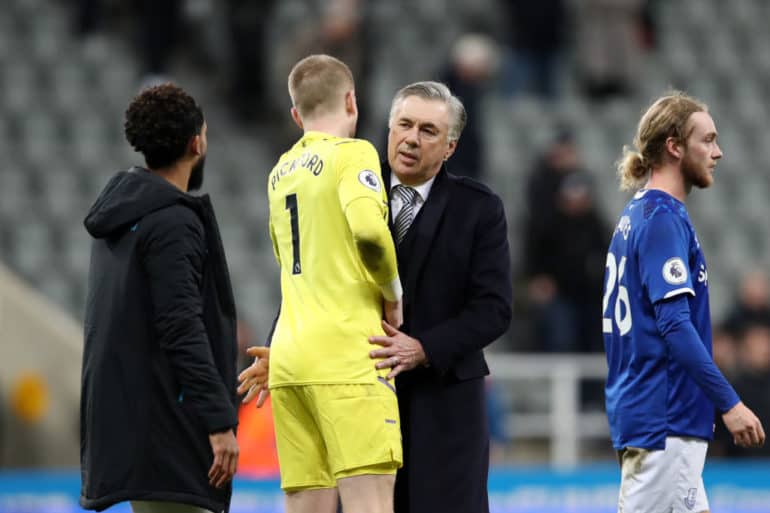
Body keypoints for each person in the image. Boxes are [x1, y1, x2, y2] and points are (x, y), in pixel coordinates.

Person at [240, 54, 404, 513]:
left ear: (297, 115)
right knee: (369, 503)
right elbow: (371, 234)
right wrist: (394, 295)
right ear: (352, 100)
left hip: (290, 359)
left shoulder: (279, 173)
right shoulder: (354, 154)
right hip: (349, 356)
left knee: (305, 506)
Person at [80, 83, 240, 513]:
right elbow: (181, 325)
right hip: (168, 434)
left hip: (138, 428)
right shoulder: (171, 221)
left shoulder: (122, 214)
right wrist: (220, 421)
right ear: (196, 142)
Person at [603, 91, 765, 513]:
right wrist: (729, 402)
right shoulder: (662, 220)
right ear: (675, 146)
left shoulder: (636, 215)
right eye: (707, 140)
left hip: (654, 415)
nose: (719, 152)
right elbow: (675, 326)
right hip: (665, 419)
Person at [368, 81, 512, 513]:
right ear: (389, 129)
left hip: (446, 407)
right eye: (404, 125)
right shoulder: (352, 194)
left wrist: (424, 348)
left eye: (428, 131)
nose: (411, 138)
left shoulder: (480, 208)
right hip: (365, 400)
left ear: (450, 147)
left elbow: (494, 309)